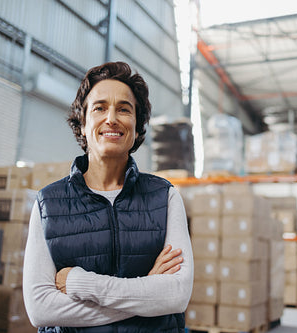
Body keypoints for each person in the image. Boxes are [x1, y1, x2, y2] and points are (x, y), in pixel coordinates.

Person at [23, 62, 194, 333]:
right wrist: (146, 292)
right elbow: (41, 308)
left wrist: (80, 283)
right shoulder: (48, 204)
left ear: (137, 128)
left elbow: (176, 295)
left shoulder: (165, 197)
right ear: (83, 122)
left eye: (124, 109)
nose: (111, 118)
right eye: (100, 108)